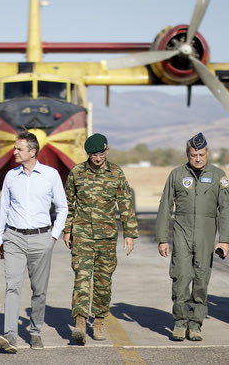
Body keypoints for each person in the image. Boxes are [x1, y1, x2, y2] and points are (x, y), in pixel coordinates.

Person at [0, 130, 68, 353]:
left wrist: (53, 235)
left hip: (41, 238)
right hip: (13, 237)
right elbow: (3, 207)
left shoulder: (51, 175)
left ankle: (35, 331)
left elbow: (62, 207)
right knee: (12, 287)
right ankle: (10, 335)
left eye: (19, 148)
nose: (14, 151)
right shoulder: (10, 176)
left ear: (32, 152)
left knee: (39, 290)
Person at [154, 132, 229, 342]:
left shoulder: (218, 176)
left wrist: (225, 239)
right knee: (180, 279)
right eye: (193, 154)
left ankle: (195, 324)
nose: (197, 158)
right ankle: (180, 322)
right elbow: (165, 207)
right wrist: (162, 238)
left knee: (200, 280)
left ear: (208, 153)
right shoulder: (177, 175)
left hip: (206, 234)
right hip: (182, 232)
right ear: (187, 155)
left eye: (201, 154)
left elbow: (225, 209)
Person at [63, 133, 138, 345]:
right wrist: (67, 230)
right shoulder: (77, 173)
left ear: (107, 151)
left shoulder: (116, 173)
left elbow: (125, 203)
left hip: (107, 237)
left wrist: (130, 233)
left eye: (101, 153)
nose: (97, 158)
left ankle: (98, 321)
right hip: (82, 235)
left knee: (104, 282)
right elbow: (68, 204)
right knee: (82, 278)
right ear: (88, 154)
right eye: (93, 154)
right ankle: (79, 321)